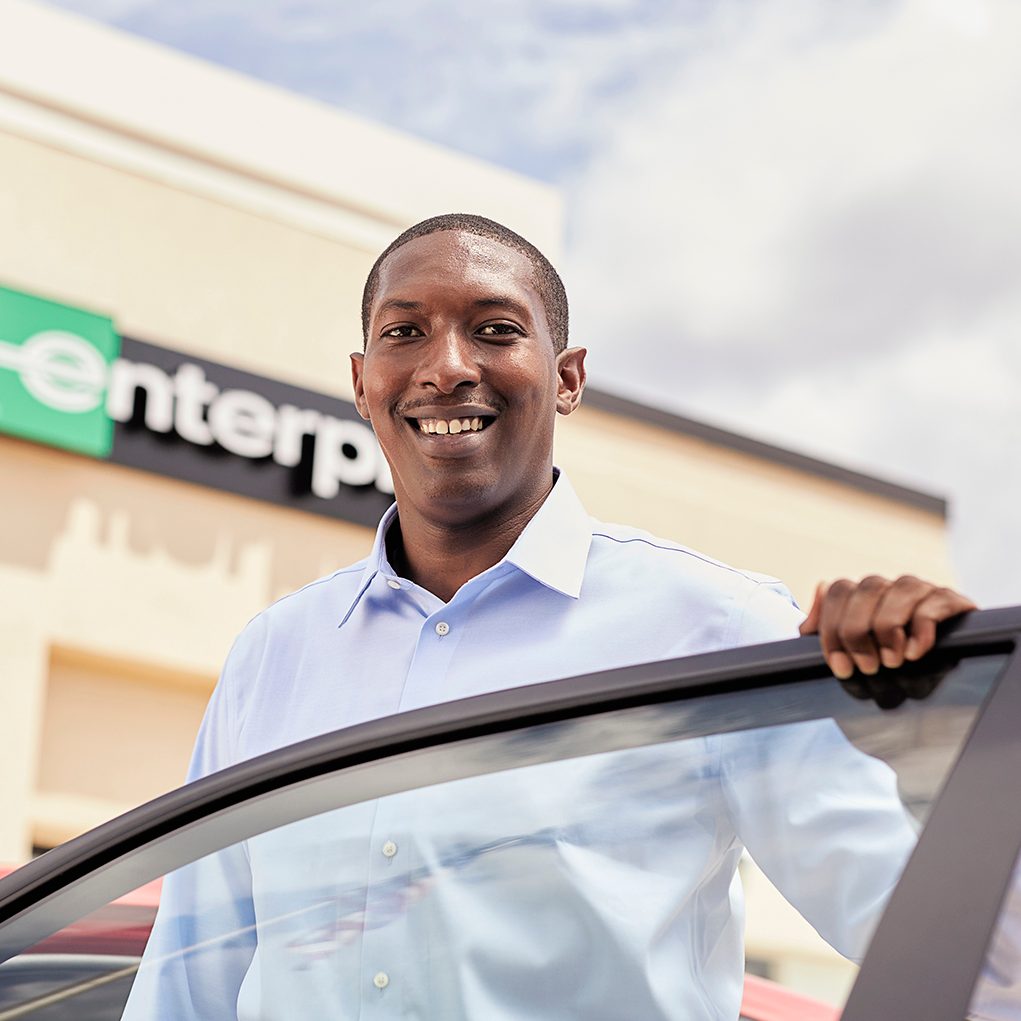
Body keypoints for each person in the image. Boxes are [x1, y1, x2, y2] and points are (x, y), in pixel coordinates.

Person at [123, 214, 982, 1019]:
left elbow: (957, 956)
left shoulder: (715, 628)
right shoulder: (275, 655)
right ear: (360, 381)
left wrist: (933, 747)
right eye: (404, 331)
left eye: (495, 329)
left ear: (567, 377)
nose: (446, 365)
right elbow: (185, 982)